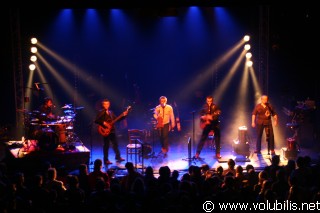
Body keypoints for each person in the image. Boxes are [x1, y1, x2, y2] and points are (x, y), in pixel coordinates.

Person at [94, 99, 126, 165]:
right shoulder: (101, 112)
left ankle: (118, 157)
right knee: (106, 145)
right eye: (105, 104)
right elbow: (96, 120)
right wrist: (103, 122)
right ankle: (106, 160)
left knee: (115, 144)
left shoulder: (111, 112)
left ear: (109, 105)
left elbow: (117, 119)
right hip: (105, 131)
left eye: (107, 104)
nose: (106, 105)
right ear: (103, 105)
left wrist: (124, 115)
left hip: (112, 130)